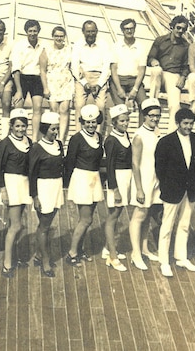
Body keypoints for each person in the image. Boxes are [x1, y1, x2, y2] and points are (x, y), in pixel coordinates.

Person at [155, 108, 195, 278]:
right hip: (172, 190)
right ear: (177, 123)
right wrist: (167, 186)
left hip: (190, 189)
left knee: (185, 224)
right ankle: (164, 262)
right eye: (185, 123)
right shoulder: (166, 142)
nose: (188, 127)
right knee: (167, 225)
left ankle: (181, 257)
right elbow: (160, 169)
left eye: (191, 123)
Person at [64, 104, 104, 266]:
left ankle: (79, 250)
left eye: (93, 122)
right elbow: (69, 163)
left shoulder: (99, 137)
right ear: (82, 122)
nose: (91, 125)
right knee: (85, 219)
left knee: (88, 218)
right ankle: (72, 252)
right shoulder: (76, 139)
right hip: (81, 179)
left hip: (94, 178)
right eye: (87, 122)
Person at [28, 111, 65, 278]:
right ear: (44, 129)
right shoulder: (36, 148)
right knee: (44, 226)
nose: (55, 132)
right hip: (43, 188)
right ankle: (45, 261)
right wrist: (35, 196)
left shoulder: (59, 144)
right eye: (52, 129)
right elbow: (32, 174)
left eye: (57, 129)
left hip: (56, 186)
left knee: (47, 224)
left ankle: (38, 254)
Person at [0, 108, 32, 277]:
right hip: (11, 185)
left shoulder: (29, 142)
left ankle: (14, 257)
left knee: (17, 225)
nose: (20, 129)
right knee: (16, 225)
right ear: (11, 126)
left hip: (24, 184)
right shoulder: (4, 143)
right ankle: (7, 264)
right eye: (17, 126)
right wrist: (2, 190)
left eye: (23, 126)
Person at [129, 98, 163, 270]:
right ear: (144, 116)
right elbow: (135, 164)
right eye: (151, 116)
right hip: (142, 181)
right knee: (139, 216)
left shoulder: (156, 132)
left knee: (148, 216)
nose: (155, 119)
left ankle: (144, 249)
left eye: (158, 116)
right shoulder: (138, 136)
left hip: (154, 180)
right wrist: (140, 189)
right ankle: (135, 254)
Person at [102, 104, 133, 272]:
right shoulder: (111, 140)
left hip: (126, 178)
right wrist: (115, 189)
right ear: (114, 122)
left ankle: (107, 248)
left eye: (127, 120)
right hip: (117, 180)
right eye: (122, 121)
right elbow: (110, 167)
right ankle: (112, 256)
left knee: (117, 213)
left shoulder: (125, 134)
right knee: (113, 216)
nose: (126, 123)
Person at [71, 20, 111, 135]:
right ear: (83, 32)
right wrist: (84, 83)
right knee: (79, 105)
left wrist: (99, 84)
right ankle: (79, 135)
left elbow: (106, 67)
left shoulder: (103, 44)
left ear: (97, 31)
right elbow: (74, 66)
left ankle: (98, 136)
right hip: (82, 76)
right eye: (88, 31)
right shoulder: (78, 44)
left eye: (93, 31)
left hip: (99, 77)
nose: (90, 34)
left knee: (101, 106)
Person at [147, 15, 190, 118]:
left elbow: (187, 65)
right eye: (178, 28)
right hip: (160, 74)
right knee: (156, 70)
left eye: (183, 29)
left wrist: (183, 77)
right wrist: (153, 61)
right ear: (172, 27)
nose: (180, 31)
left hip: (173, 76)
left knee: (174, 105)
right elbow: (150, 58)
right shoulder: (160, 41)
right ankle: (152, 104)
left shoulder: (186, 46)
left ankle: (172, 132)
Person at [12, 19, 47, 139]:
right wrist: (18, 90)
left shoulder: (43, 45)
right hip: (22, 77)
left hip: (37, 78)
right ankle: (20, 136)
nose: (32, 34)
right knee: (18, 108)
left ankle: (34, 139)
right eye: (30, 31)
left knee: (37, 108)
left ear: (38, 31)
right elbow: (16, 69)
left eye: (35, 31)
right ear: (26, 32)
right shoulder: (19, 46)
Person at [110, 18, 148, 124]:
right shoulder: (116, 46)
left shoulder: (140, 47)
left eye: (131, 28)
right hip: (118, 80)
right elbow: (113, 69)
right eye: (126, 29)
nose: (129, 31)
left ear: (134, 29)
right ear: (122, 30)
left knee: (145, 105)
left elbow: (142, 70)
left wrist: (135, 89)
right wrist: (119, 89)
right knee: (120, 109)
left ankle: (141, 133)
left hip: (134, 80)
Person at [40, 26, 74, 141]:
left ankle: (61, 139)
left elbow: (75, 66)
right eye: (57, 36)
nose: (59, 38)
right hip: (52, 82)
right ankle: (53, 138)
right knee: (54, 111)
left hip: (66, 82)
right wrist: (45, 88)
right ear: (53, 37)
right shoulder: (46, 50)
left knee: (64, 110)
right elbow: (42, 70)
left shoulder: (70, 49)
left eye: (61, 36)